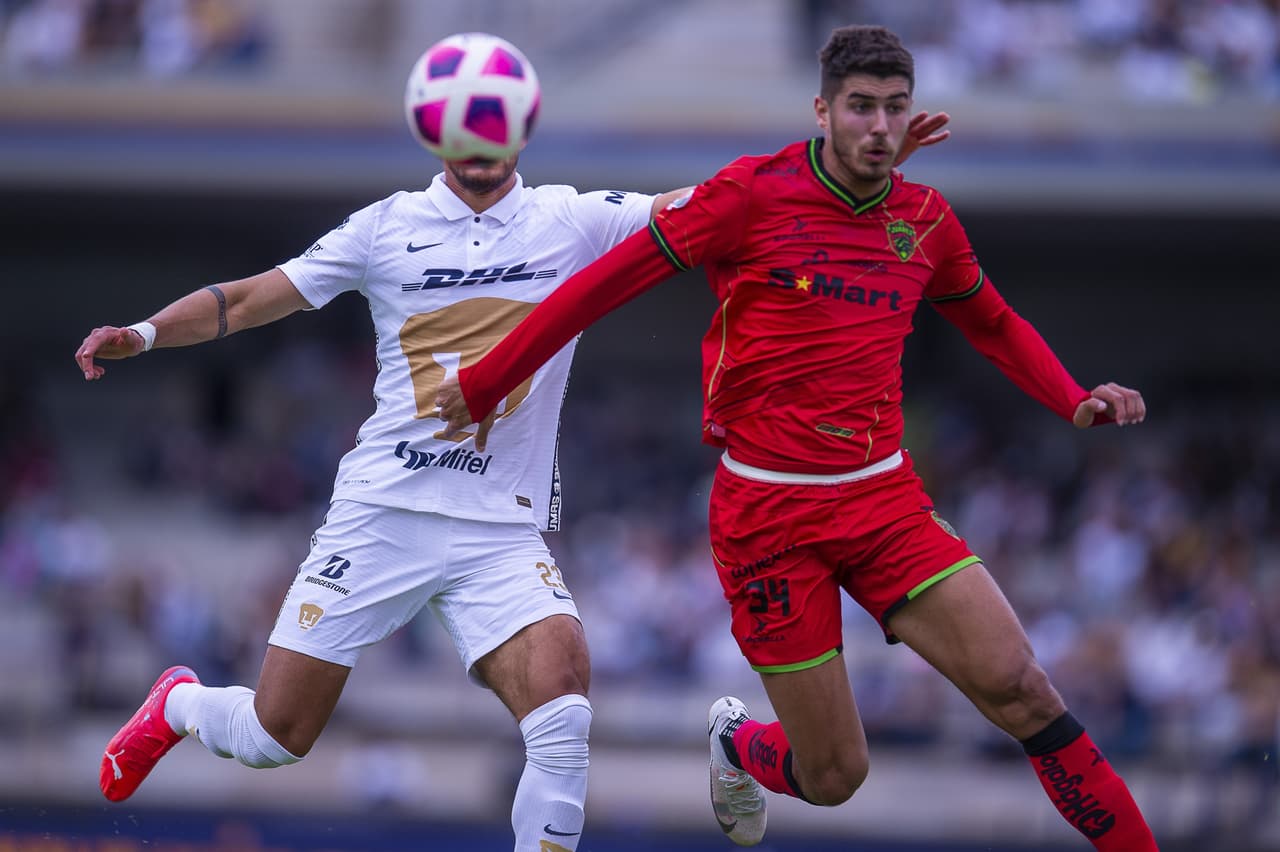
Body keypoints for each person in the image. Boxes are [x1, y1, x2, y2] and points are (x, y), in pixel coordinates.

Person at [73, 32, 950, 852]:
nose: (482, 144)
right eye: (466, 129)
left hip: (498, 529)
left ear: (520, 129)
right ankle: (181, 703)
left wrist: (852, 169)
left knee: (563, 714)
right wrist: (145, 333)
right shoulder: (383, 229)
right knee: (275, 738)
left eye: (496, 127)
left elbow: (729, 207)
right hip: (382, 511)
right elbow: (254, 297)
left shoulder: (573, 219)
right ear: (438, 134)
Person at [435, 24, 1158, 852]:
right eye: (860, 108)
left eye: (894, 109)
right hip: (767, 519)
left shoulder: (925, 219)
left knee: (1024, 689)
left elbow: (991, 321)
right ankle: (736, 743)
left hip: (885, 499)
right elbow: (601, 285)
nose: (880, 127)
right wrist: (489, 378)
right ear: (823, 110)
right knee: (835, 776)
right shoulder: (748, 197)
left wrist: (1073, 398)